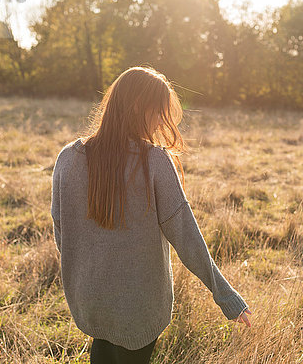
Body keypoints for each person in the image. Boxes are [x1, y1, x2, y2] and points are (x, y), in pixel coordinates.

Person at [50, 66, 252, 364]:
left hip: (91, 302)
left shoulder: (68, 157)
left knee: (102, 352)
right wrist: (226, 297)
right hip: (139, 310)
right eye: (158, 111)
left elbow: (61, 231)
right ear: (137, 108)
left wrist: (88, 279)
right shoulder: (154, 161)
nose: (161, 122)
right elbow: (186, 236)